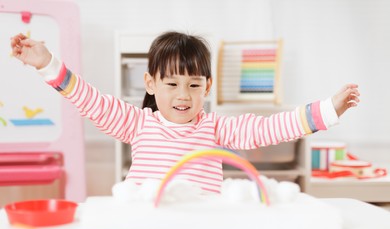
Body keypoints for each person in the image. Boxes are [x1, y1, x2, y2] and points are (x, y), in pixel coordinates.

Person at [10, 31, 360, 193]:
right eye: (172, 84)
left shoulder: (214, 127)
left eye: (194, 85)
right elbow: (89, 99)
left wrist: (328, 109)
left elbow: (267, 129)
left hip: (202, 226)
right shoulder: (137, 123)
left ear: (207, 88)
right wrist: (47, 64)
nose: (183, 95)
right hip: (148, 223)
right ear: (150, 83)